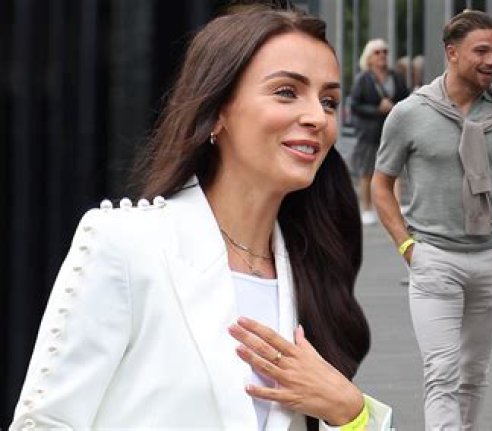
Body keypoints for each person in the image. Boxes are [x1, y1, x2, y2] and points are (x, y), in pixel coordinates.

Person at [10, 6, 391, 430]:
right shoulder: (127, 246)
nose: (317, 117)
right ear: (219, 110)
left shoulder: (311, 272)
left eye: (329, 101)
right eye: (286, 92)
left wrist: (351, 413)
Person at [372, 10, 492, 430]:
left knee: (473, 373)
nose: (491, 60)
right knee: (442, 372)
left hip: (491, 257)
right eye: (481, 51)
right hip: (434, 259)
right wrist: (407, 246)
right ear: (452, 53)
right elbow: (381, 184)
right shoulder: (410, 113)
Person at [350, 39, 409, 225]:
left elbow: (407, 99)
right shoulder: (363, 79)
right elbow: (355, 105)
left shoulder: (395, 76)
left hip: (392, 130)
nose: (382, 55)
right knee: (367, 171)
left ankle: (397, 205)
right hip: (369, 132)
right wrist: (377, 109)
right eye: (377, 52)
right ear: (369, 57)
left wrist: (394, 107)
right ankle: (366, 209)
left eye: (385, 51)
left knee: (395, 168)